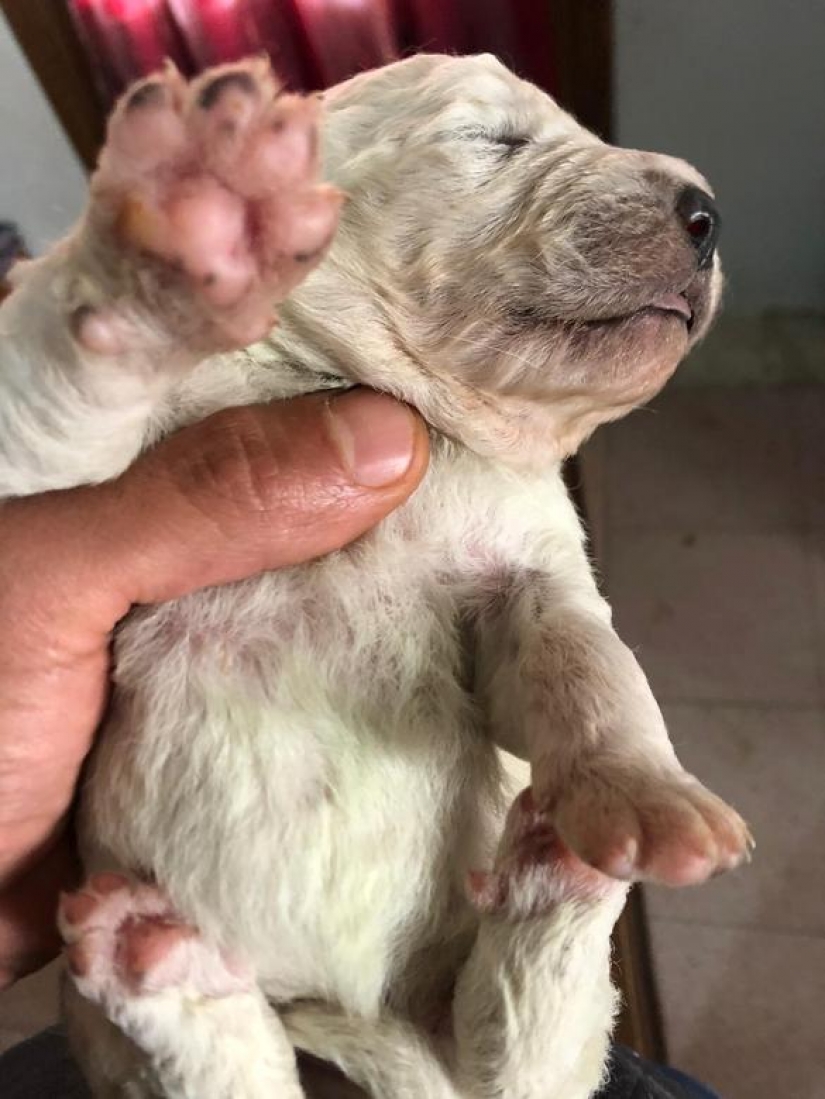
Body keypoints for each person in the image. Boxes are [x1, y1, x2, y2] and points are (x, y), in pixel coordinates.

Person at [0, 390, 717, 1099]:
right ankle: (548, 914)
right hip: (297, 931)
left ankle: (197, 1038)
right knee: (535, 1085)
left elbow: (538, 615)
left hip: (184, 925)